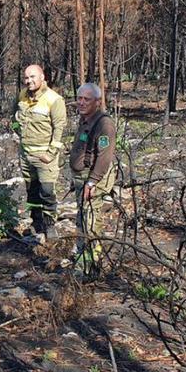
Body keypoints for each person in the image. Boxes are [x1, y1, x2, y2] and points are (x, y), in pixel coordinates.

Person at [11, 64, 68, 242]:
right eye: (26, 77)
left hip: (45, 157)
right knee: (32, 190)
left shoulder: (54, 99)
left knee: (47, 191)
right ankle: (36, 222)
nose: (29, 81)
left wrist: (51, 154)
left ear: (42, 77)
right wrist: (17, 132)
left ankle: (50, 225)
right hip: (26, 155)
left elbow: (59, 128)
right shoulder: (22, 95)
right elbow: (14, 117)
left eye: (33, 77)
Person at [67, 83, 118, 272]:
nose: (81, 102)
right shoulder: (84, 119)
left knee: (91, 221)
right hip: (82, 177)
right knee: (81, 218)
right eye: (79, 98)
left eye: (86, 99)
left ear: (97, 102)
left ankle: (91, 266)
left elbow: (104, 156)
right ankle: (83, 258)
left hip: (94, 180)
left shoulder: (104, 124)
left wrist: (92, 181)